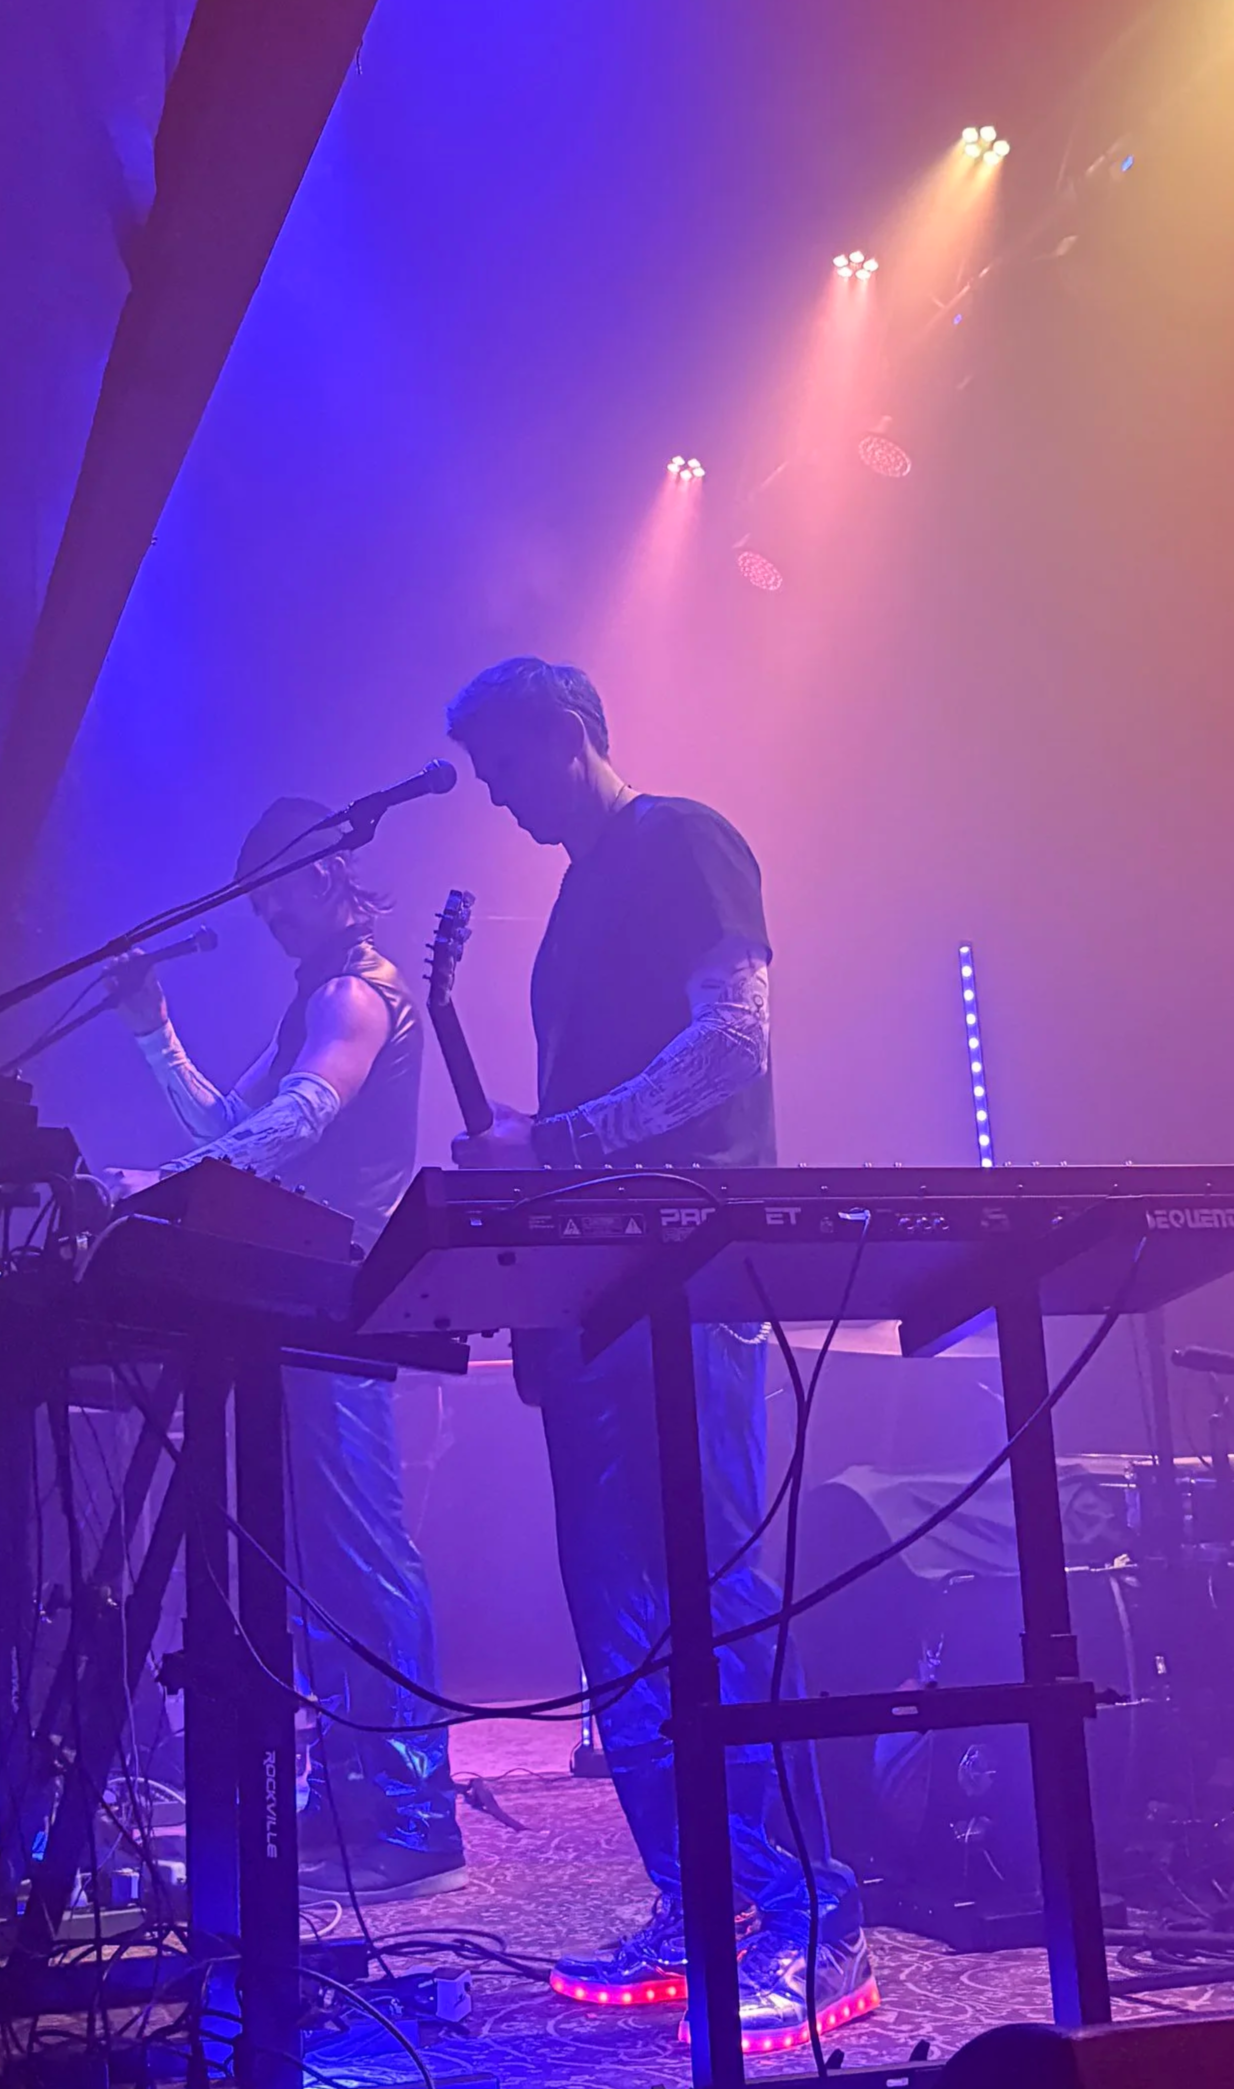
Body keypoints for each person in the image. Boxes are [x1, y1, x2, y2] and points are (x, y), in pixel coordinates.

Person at [445, 657, 875, 2043]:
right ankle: (700, 1898)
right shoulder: (575, 892)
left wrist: (554, 1144)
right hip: (591, 1297)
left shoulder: (679, 838)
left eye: (506, 765)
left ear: (567, 736)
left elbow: (730, 1042)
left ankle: (818, 1917)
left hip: (683, 1284)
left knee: (714, 1596)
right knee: (618, 1621)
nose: (497, 798)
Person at [107, 797, 466, 1904]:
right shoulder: (313, 997)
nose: (262, 910)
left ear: (325, 876)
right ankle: (354, 1787)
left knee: (361, 1555)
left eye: (274, 889)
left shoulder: (357, 994)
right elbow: (231, 1132)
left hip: (341, 1302)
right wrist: (150, 1026)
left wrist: (168, 1196)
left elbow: (301, 1117)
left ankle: (416, 1801)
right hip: (293, 1303)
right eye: (251, 894)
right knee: (311, 1563)